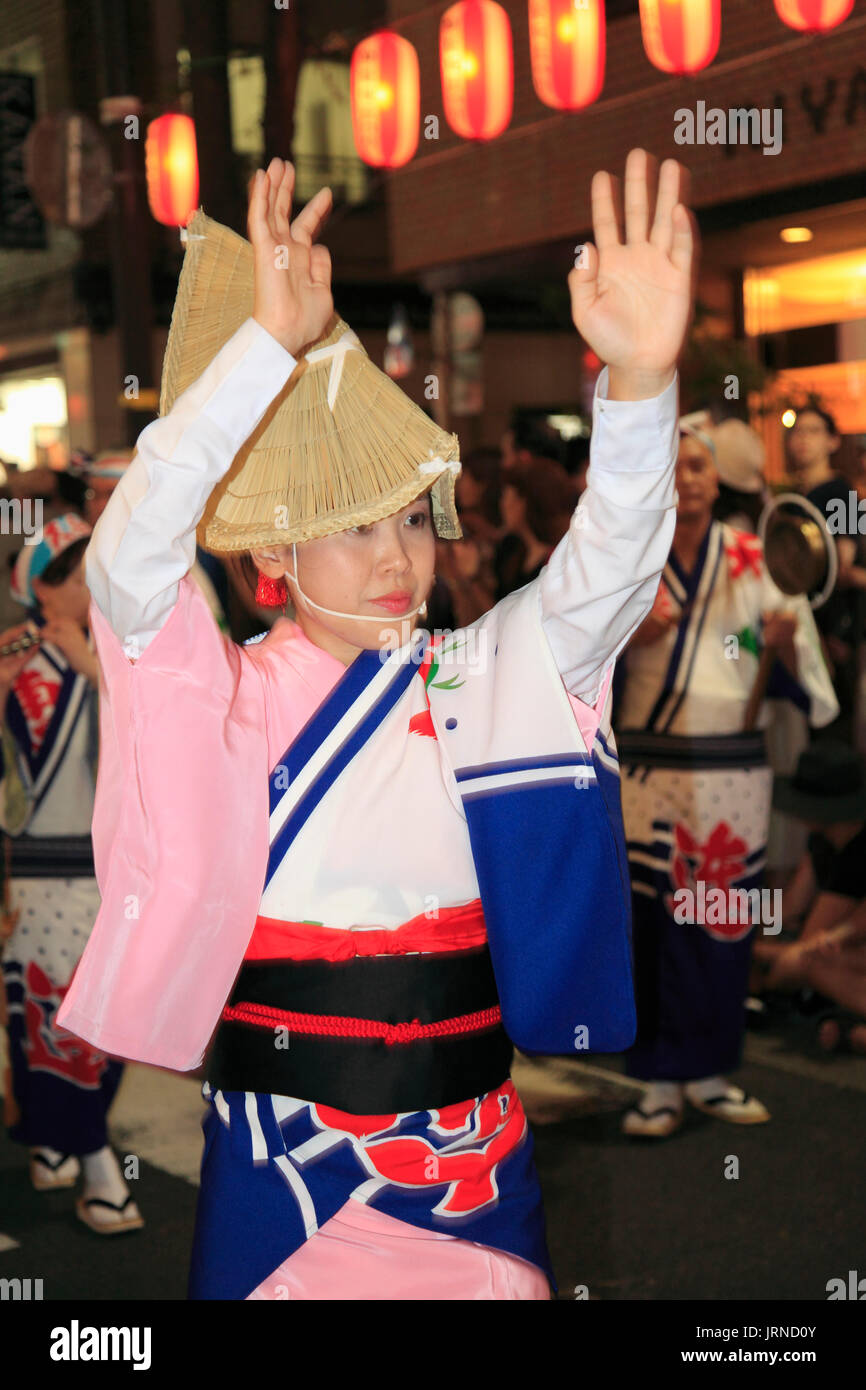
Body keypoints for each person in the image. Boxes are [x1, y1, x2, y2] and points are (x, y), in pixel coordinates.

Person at [58, 148, 695, 1299]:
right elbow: (128, 563)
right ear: (270, 553)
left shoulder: (478, 675)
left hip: (467, 1158)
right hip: (284, 1159)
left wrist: (641, 386)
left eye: (411, 518)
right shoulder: (229, 695)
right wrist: (263, 347)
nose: (397, 556)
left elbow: (605, 571)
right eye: (353, 527)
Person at [617, 423, 838, 1138]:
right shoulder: (627, 561)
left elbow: (778, 659)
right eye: (675, 465)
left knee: (718, 915)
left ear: (720, 480)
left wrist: (774, 645)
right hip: (651, 763)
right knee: (652, 919)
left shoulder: (754, 555)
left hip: (731, 765)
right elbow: (574, 661)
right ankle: (656, 1079)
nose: (687, 479)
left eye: (700, 467)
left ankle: (710, 1070)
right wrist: (628, 639)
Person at [0, 515, 143, 1233]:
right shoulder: (28, 664)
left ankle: (56, 1140)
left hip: (105, 871)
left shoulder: (104, 655)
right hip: (46, 872)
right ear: (45, 591)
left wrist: (96, 669)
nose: (98, 588)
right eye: (83, 576)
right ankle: (95, 1163)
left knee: (100, 1018)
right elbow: (28, 781)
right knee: (63, 1021)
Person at [752, 742, 866, 1053]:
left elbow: (806, 949)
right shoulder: (824, 842)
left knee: (806, 963)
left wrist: (748, 951)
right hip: (836, 951)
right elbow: (786, 910)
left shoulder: (856, 852)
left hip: (839, 954)